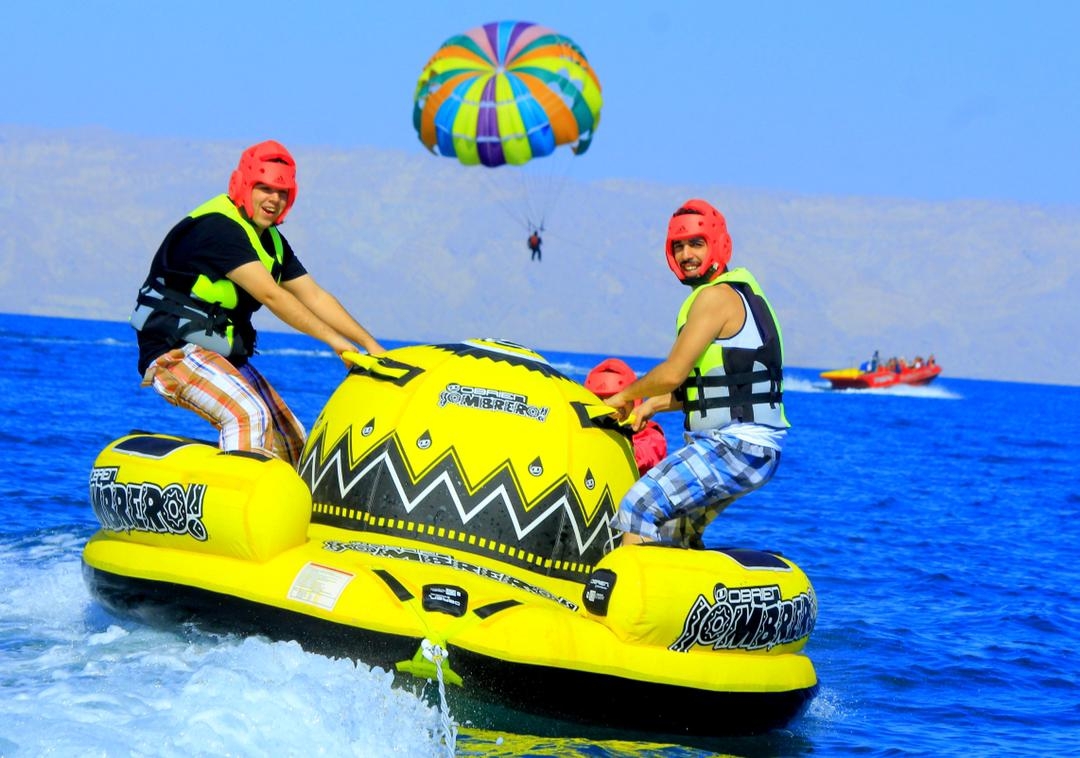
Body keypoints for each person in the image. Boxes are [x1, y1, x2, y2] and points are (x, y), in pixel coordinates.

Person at [130, 140, 384, 464]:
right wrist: (337, 343)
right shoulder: (219, 228)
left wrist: (371, 346)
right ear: (243, 185)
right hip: (173, 351)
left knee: (291, 441)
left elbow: (315, 296)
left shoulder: (273, 243)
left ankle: (289, 493)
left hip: (220, 354)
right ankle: (238, 492)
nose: (274, 199)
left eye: (282, 192)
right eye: (265, 188)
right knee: (249, 416)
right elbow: (271, 295)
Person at [602, 199, 789, 548]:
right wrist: (649, 407)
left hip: (734, 446)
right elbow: (710, 391)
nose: (686, 254)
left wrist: (625, 396)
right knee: (676, 531)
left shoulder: (716, 298)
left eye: (696, 244)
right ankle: (686, 575)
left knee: (638, 508)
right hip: (754, 447)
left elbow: (673, 373)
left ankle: (625, 584)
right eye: (679, 246)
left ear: (718, 244)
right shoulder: (740, 293)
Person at [584, 358, 667, 476]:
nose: (606, 408)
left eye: (614, 400)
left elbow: (644, 454)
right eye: (599, 400)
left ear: (632, 402)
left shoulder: (651, 435)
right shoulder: (584, 431)